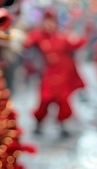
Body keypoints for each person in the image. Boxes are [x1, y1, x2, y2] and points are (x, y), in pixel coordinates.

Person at [25, 9, 88, 137]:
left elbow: (78, 43)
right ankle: (39, 123)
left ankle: (62, 124)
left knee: (63, 100)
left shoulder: (63, 37)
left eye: (51, 22)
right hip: (48, 74)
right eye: (46, 22)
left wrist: (85, 31)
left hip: (63, 74)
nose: (49, 25)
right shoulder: (39, 36)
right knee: (44, 98)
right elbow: (27, 42)